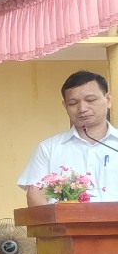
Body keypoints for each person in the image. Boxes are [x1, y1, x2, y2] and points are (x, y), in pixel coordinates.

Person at [19, 70, 118, 204]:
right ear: (65, 106)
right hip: (65, 219)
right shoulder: (49, 148)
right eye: (73, 103)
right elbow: (36, 193)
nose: (82, 108)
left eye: (90, 100)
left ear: (108, 100)